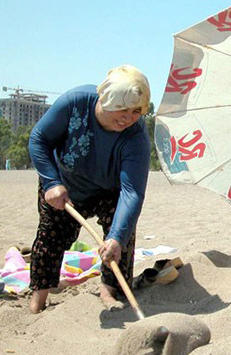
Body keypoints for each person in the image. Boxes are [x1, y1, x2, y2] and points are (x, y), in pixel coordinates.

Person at [28, 64, 151, 313]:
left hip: (109, 192)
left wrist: (116, 237)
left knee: (120, 237)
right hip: (64, 187)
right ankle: (38, 300)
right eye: (121, 108)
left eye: (136, 111)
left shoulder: (135, 136)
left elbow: (132, 191)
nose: (128, 117)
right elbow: (39, 139)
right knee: (50, 237)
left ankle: (109, 291)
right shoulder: (75, 103)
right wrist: (52, 183)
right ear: (106, 100)